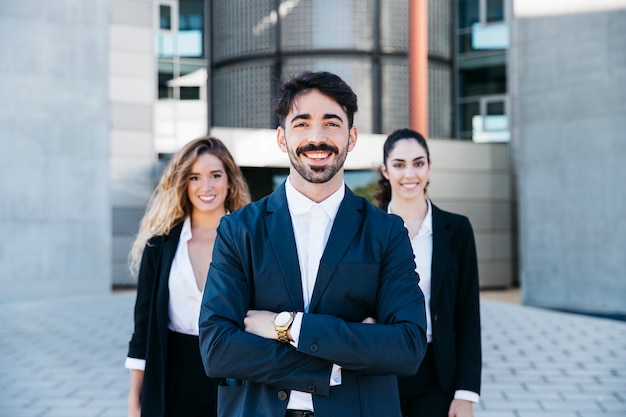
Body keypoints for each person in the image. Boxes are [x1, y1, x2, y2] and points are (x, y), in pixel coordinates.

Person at [198, 71, 427, 417]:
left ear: (351, 137)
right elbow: (217, 349)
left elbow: (407, 347)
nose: (316, 138)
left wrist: (287, 327)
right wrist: (330, 365)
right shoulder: (238, 230)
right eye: (302, 124)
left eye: (331, 124)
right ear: (281, 137)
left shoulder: (386, 232)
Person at [125, 137, 251, 417]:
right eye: (195, 177)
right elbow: (143, 329)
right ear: (184, 183)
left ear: (230, 181)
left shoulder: (251, 242)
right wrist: (134, 400)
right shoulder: (159, 246)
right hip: (172, 378)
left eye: (215, 175)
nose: (205, 187)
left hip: (234, 377)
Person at [375, 128, 482, 417]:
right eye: (399, 164)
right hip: (380, 366)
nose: (410, 173)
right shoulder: (367, 229)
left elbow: (467, 315)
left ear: (429, 166)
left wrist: (466, 393)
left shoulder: (457, 230)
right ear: (385, 170)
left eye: (418, 163)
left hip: (438, 371)